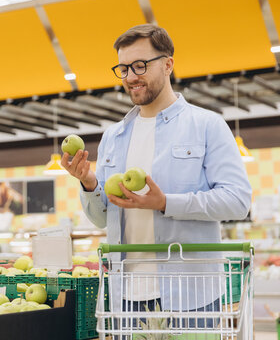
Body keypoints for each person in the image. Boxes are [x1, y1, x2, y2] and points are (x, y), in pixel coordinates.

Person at [61, 24, 252, 324]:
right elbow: (103, 219)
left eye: (140, 65)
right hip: (125, 297)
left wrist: (165, 203)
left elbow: (238, 201)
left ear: (168, 64)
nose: (131, 77)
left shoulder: (207, 126)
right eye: (123, 69)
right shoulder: (113, 136)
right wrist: (89, 183)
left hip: (191, 296)